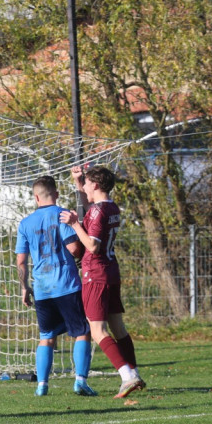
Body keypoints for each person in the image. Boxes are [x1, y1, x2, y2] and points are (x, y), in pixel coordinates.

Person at [60, 165, 145, 399]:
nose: (85, 187)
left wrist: (74, 225)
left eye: (87, 183)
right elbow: (91, 210)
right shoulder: (110, 206)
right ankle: (134, 372)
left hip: (95, 273)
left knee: (97, 330)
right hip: (110, 270)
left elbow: (93, 245)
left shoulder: (98, 211)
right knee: (118, 328)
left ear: (95, 185)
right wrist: (79, 183)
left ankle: (127, 376)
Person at [15, 176, 96, 397]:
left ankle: (42, 385)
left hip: (42, 289)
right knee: (83, 332)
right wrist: (82, 253)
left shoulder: (25, 223)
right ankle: (80, 381)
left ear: (36, 197)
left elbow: (21, 261)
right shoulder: (62, 215)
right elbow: (73, 249)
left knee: (47, 336)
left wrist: (25, 287)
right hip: (67, 285)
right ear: (56, 194)